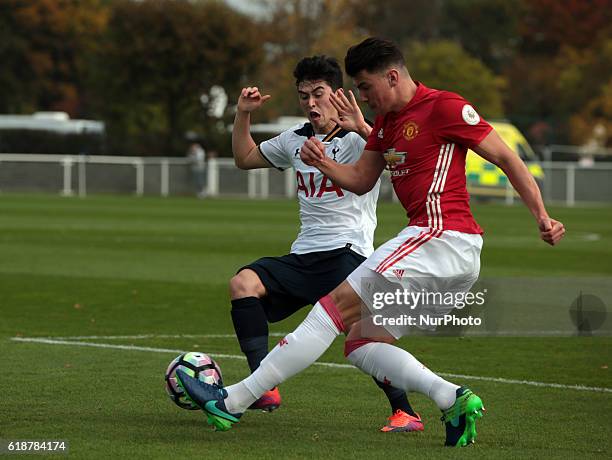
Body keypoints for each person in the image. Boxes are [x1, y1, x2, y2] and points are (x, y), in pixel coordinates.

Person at [176, 38, 565, 446]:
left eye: (364, 87)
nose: (360, 97)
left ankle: (233, 400)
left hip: (441, 237)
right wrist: (322, 161)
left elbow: (506, 157)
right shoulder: (384, 125)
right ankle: (451, 398)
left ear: (392, 76)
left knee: (330, 312)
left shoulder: (444, 106)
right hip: (446, 258)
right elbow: (361, 180)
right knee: (362, 343)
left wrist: (541, 215)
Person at [227, 55, 421, 432]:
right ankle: (263, 388)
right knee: (242, 284)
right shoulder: (295, 140)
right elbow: (244, 158)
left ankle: (406, 411)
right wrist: (243, 114)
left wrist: (364, 127)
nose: (312, 103)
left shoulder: (361, 137)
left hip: (348, 253)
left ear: (338, 95)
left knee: (362, 338)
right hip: (305, 254)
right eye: (304, 96)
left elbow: (404, 160)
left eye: (319, 94)